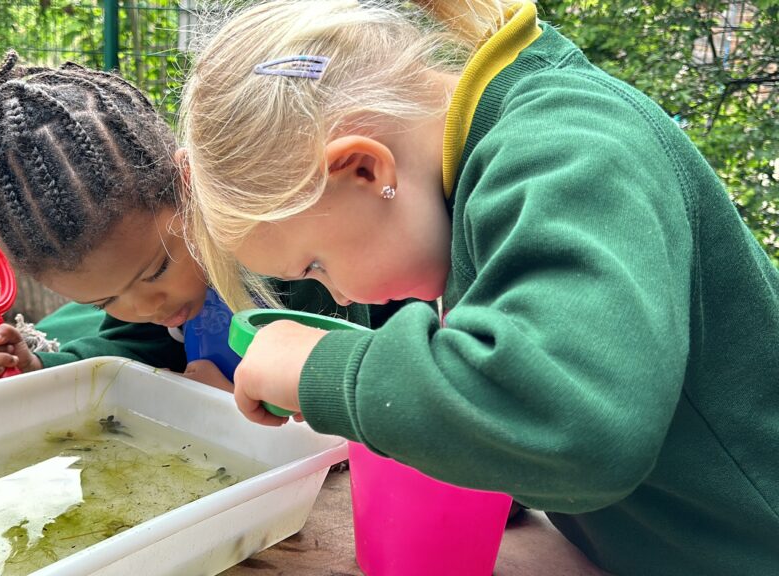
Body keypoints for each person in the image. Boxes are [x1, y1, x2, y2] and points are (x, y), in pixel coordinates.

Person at [178, 1, 779, 574]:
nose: (336, 296)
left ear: (364, 169)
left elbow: (572, 424)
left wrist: (328, 370)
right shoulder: (473, 173)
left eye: (315, 265)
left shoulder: (566, 150)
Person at [0, 50, 371, 386]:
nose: (144, 307)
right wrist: (42, 366)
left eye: (156, 272)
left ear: (187, 188)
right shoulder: (147, 299)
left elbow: (352, 384)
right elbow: (141, 347)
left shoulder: (287, 254)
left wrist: (233, 401)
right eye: (105, 301)